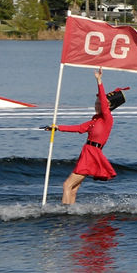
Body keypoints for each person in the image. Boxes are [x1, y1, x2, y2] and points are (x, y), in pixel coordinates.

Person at [43, 68, 118, 204]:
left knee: (67, 185)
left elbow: (103, 99)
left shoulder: (107, 119)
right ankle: (72, 214)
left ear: (106, 106)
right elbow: (78, 128)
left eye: (99, 103)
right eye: (95, 103)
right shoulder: (93, 121)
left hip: (92, 154)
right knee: (73, 188)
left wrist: (99, 81)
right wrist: (58, 127)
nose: (96, 105)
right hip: (87, 153)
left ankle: (65, 213)